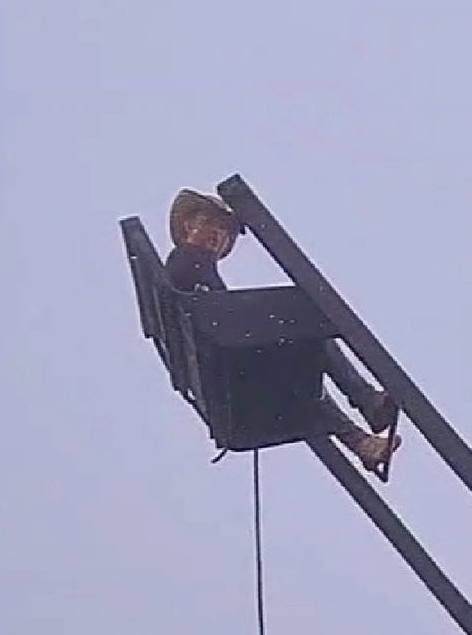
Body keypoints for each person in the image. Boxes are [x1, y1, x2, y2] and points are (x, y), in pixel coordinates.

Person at [163, 188, 401, 475]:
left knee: (300, 369)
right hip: (225, 369)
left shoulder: (194, 268)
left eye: (225, 231)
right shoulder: (188, 261)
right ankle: (366, 402)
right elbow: (218, 317)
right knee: (309, 330)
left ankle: (362, 439)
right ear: (190, 225)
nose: (219, 235)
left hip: (229, 374)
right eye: (212, 224)